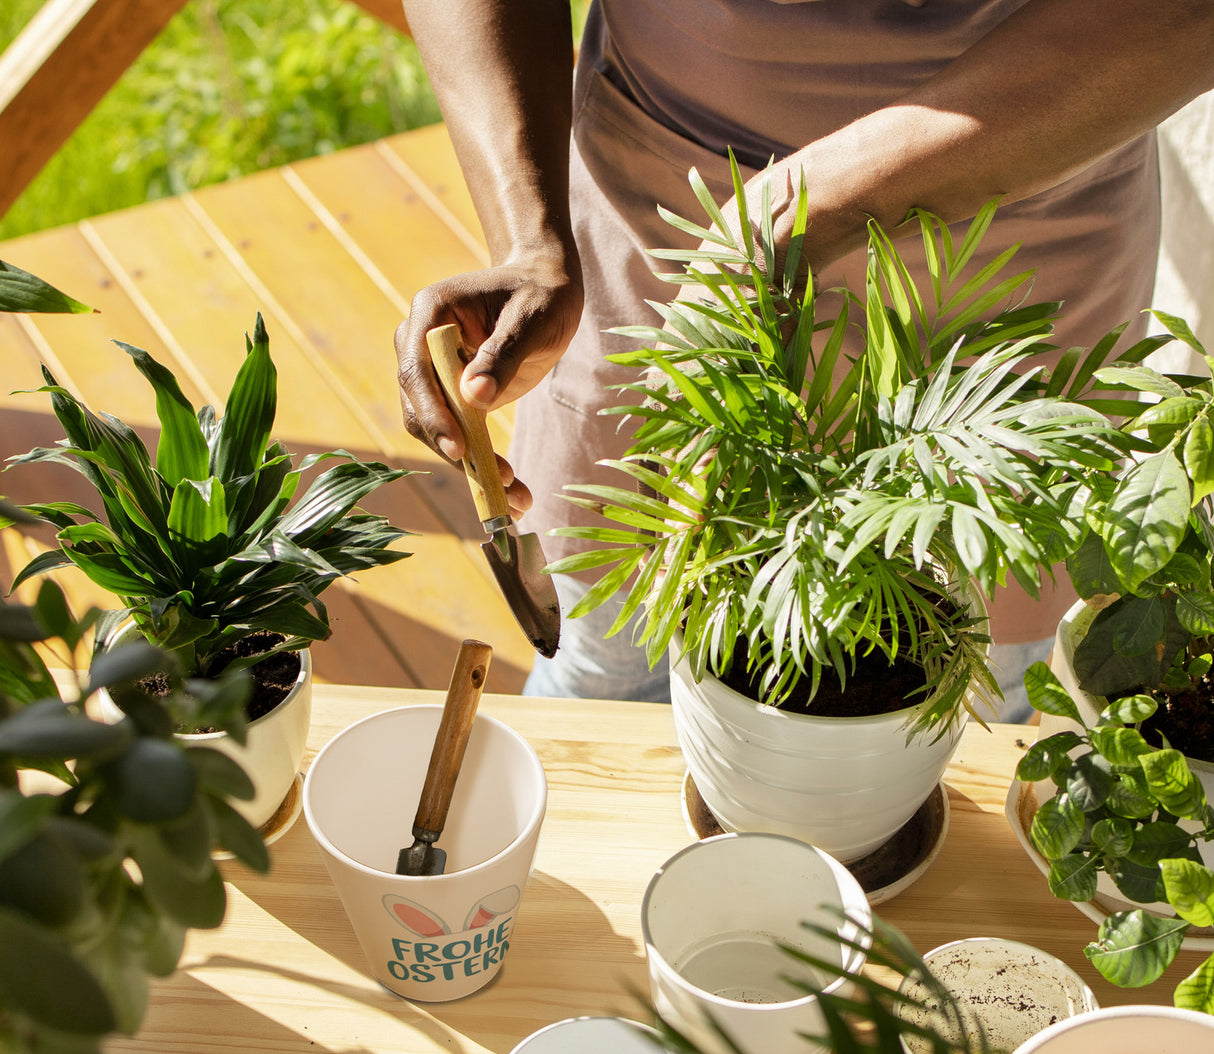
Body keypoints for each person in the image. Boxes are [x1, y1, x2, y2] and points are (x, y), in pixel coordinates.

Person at [395, 0, 1214, 720]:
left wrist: (792, 216)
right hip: (663, 217)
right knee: (609, 666)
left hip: (1014, 228)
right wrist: (529, 234)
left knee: (958, 702)